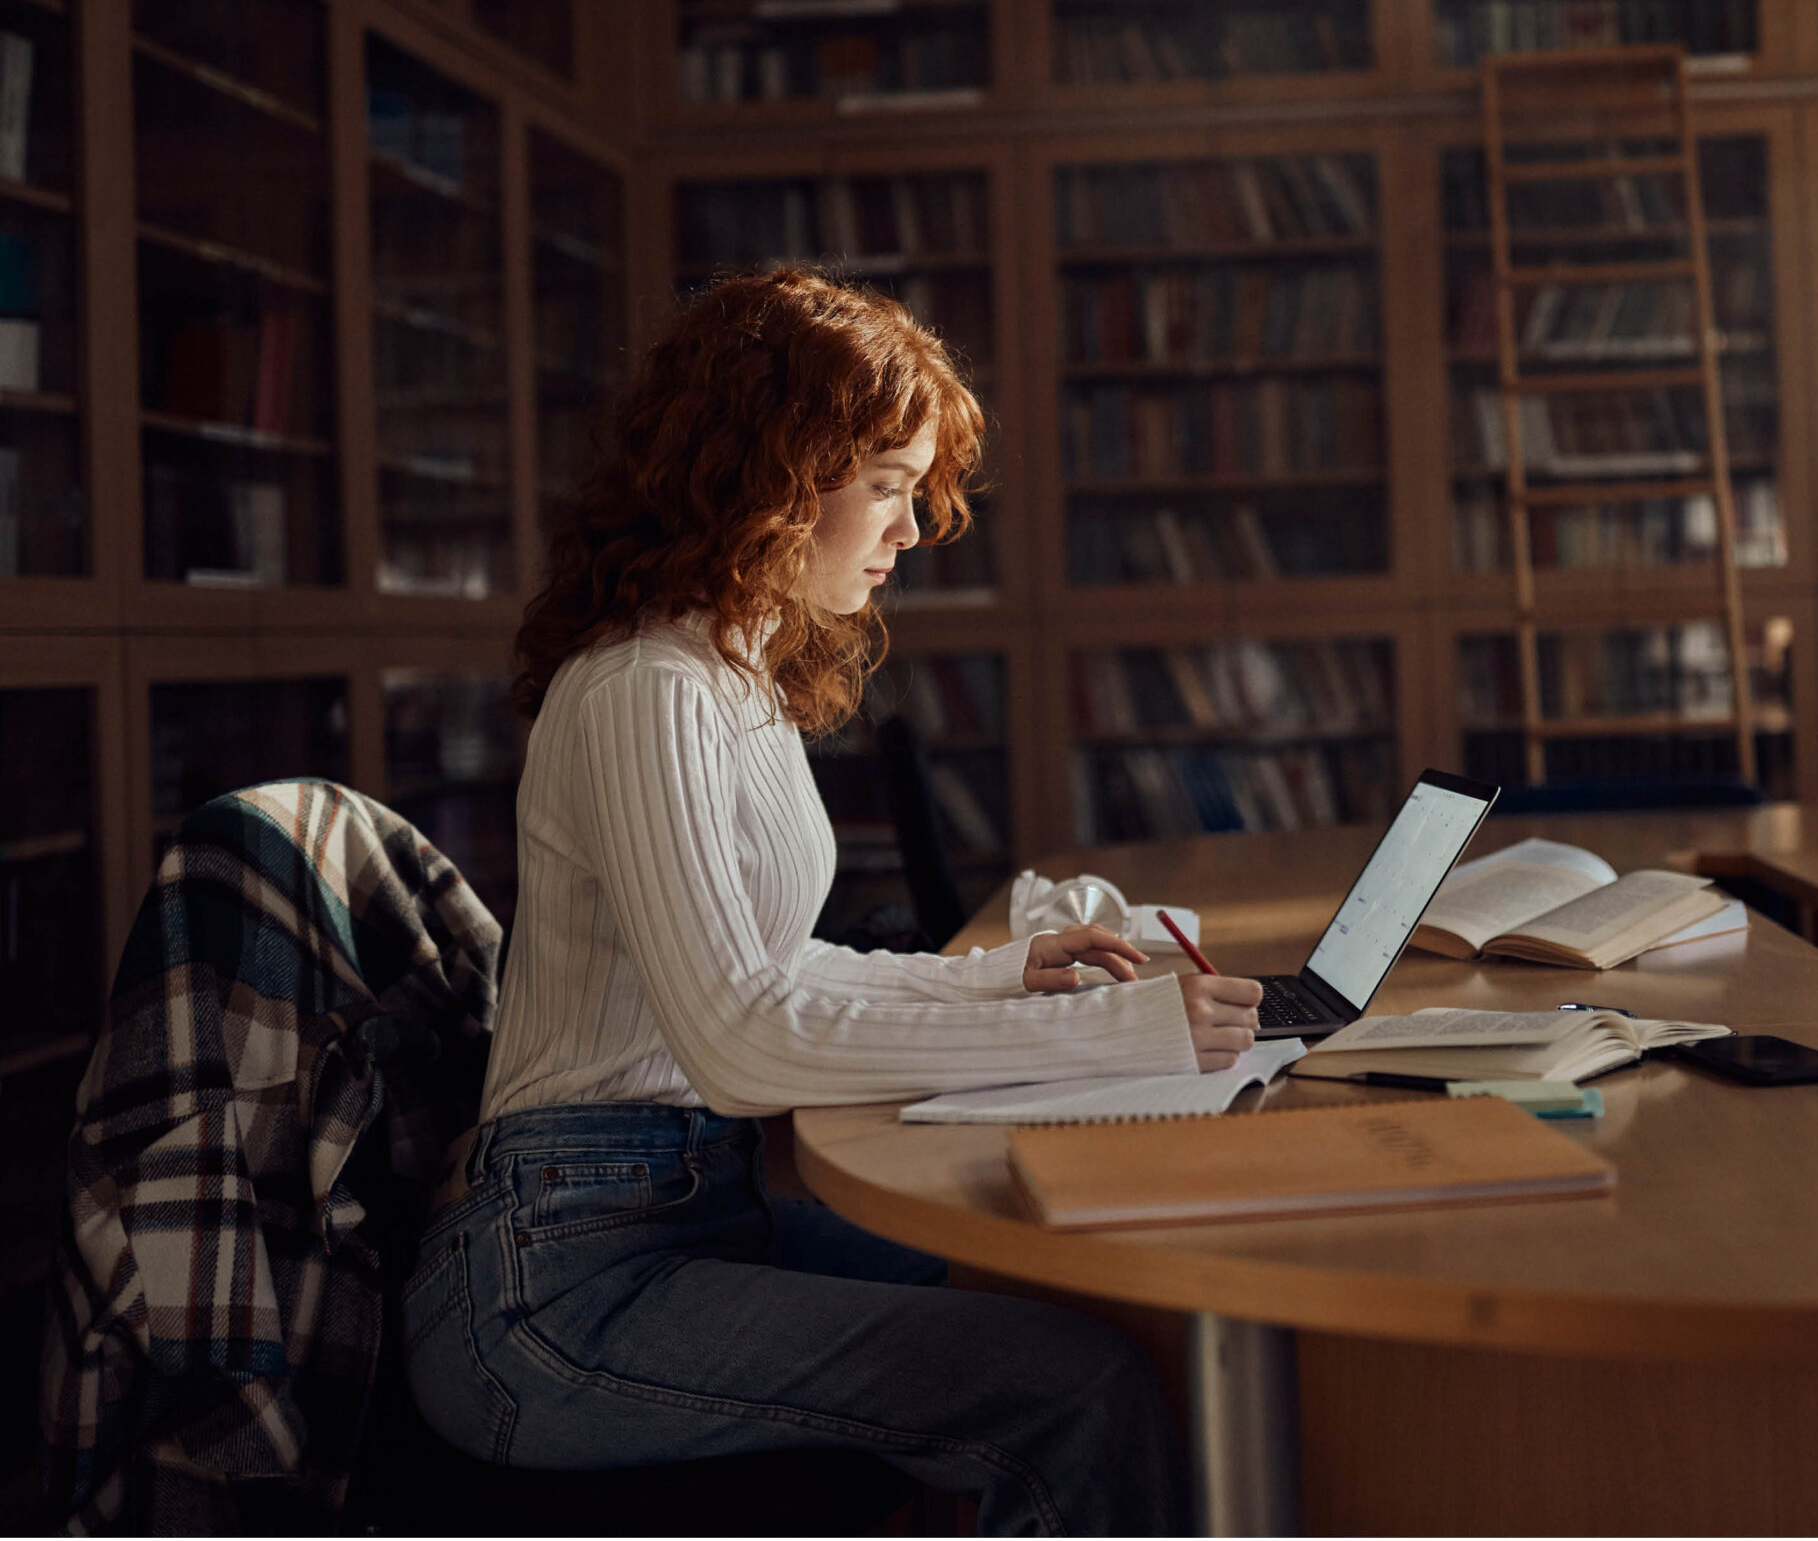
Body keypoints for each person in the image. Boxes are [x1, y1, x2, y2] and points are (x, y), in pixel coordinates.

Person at [403, 269, 1261, 1535]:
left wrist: (1003, 976)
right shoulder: (646, 686)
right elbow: (742, 1035)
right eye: (888, 487)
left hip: (677, 1217)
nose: (912, 531)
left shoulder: (727, 676)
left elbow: (776, 964)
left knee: (1086, 1302)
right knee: (1067, 1385)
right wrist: (1110, 1033)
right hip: (553, 1292)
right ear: (772, 475)